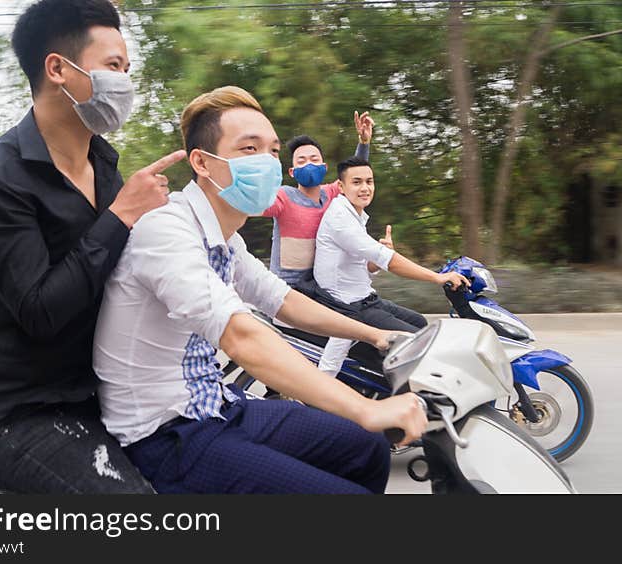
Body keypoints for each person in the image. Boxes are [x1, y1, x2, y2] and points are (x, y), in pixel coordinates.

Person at [93, 86, 428, 494]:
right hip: (166, 434)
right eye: (248, 149)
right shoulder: (167, 229)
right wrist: (363, 408)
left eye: (272, 151)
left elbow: (283, 301)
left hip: (218, 404)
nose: (267, 163)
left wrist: (375, 334)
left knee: (367, 447)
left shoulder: (225, 237)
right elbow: (240, 336)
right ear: (201, 162)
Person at [0, 0, 188, 493]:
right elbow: (39, 309)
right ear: (58, 69)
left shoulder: (104, 164)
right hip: (25, 416)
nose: (125, 82)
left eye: (126, 68)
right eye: (113, 67)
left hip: (115, 396)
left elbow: (127, 274)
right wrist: (121, 215)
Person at [312, 157, 469, 377]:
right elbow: (392, 262)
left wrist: (376, 261)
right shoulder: (340, 218)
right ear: (341, 186)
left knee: (420, 322)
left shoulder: (354, 214)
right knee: (421, 344)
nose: (365, 188)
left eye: (370, 181)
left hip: (366, 298)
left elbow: (364, 267)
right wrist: (438, 277)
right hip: (349, 307)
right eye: (357, 182)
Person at [261, 113, 374, 288]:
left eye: (314, 160)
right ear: (292, 172)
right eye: (302, 161)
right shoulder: (283, 197)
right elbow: (254, 204)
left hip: (320, 287)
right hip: (287, 288)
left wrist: (364, 143)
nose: (309, 164)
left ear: (324, 166)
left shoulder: (331, 193)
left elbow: (354, 176)